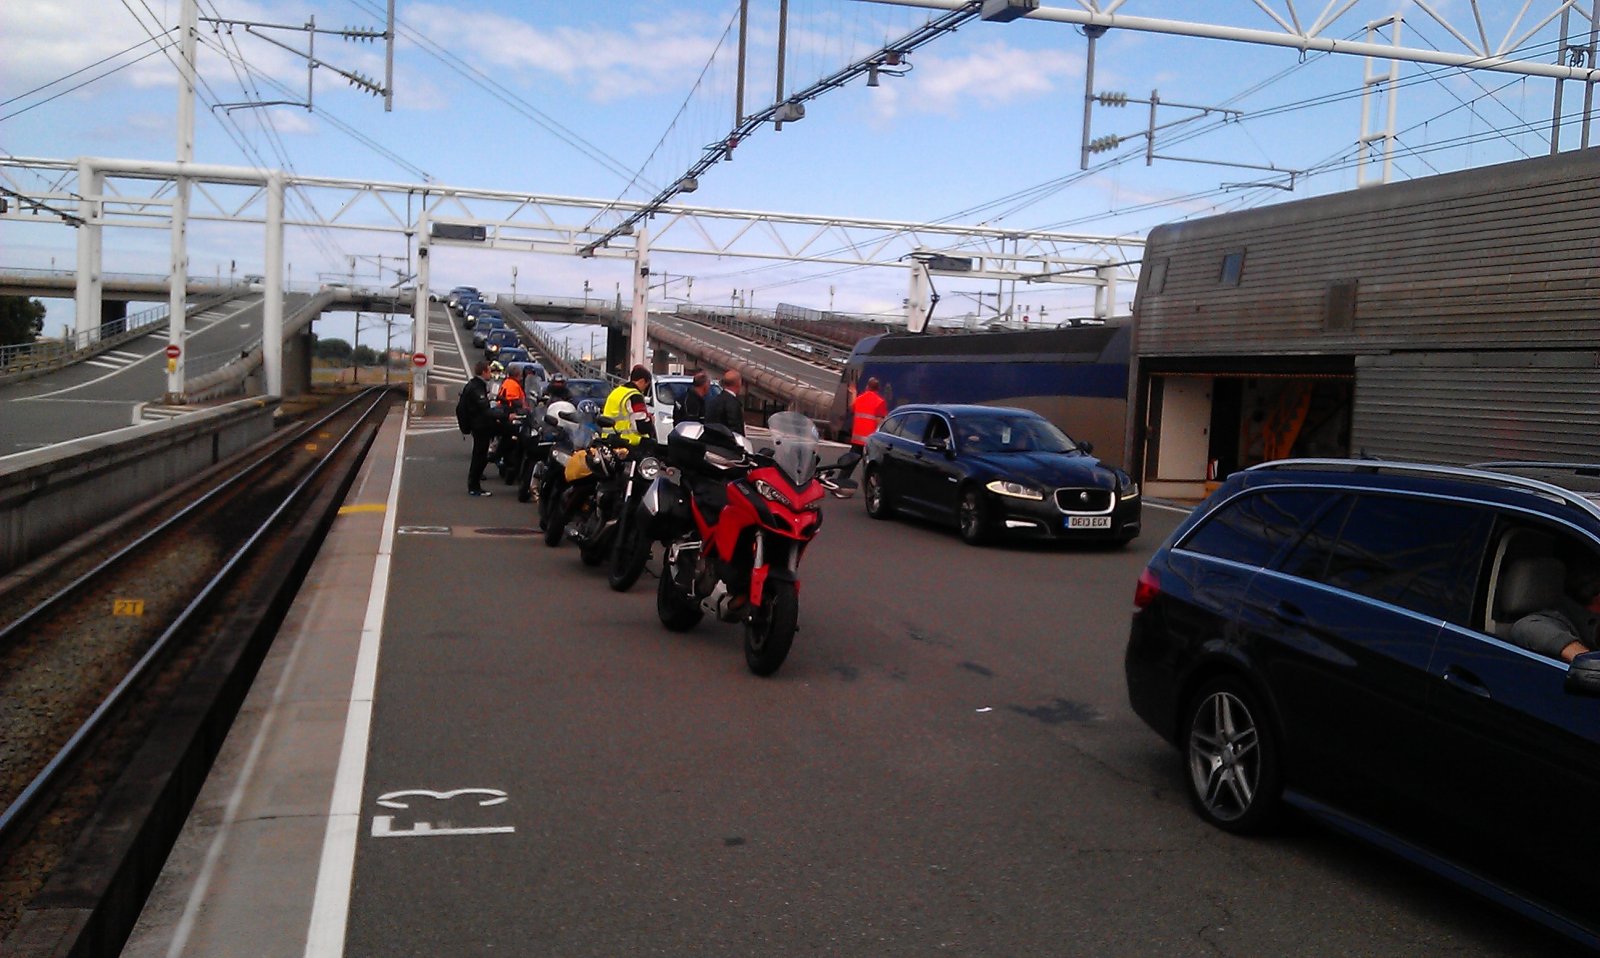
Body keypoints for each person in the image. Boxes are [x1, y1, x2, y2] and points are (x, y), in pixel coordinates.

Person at [841, 376, 887, 480]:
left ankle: (840, 482)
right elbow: (879, 422)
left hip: (857, 439)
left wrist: (853, 393)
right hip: (870, 441)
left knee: (850, 463)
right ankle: (871, 487)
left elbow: (852, 408)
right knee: (871, 466)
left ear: (867, 387)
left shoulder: (860, 398)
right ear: (878, 388)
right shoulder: (880, 402)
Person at [462, 360, 496, 497]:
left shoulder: (475, 385)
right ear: (484, 372)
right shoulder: (477, 387)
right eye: (489, 371)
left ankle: (474, 485)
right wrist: (504, 414)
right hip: (480, 426)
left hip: (478, 425)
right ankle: (474, 487)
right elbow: (484, 409)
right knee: (479, 456)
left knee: (480, 455)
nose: (491, 374)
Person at [602, 364, 656, 448]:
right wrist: (650, 421)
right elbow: (641, 427)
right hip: (628, 442)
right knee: (655, 447)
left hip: (608, 439)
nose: (644, 389)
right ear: (642, 381)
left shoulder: (616, 392)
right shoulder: (635, 395)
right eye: (646, 385)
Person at [704, 368, 745, 437]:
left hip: (712, 440)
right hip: (727, 443)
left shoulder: (714, 400)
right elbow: (735, 429)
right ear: (738, 384)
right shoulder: (733, 404)